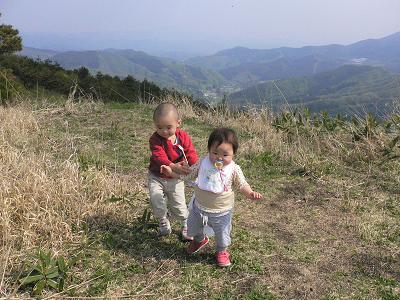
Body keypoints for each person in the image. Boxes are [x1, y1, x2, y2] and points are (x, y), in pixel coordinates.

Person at [161, 127, 262, 267]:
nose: (219, 157)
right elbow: (188, 175)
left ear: (233, 154)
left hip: (222, 211)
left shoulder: (233, 169)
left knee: (222, 233)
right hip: (199, 207)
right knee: (193, 227)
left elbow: (241, 185)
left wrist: (250, 193)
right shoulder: (202, 163)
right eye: (214, 153)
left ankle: (221, 251)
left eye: (225, 155)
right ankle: (199, 240)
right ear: (208, 150)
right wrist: (171, 173)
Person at [148, 102, 198, 240]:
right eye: (159, 127)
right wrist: (172, 165)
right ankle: (163, 220)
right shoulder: (155, 140)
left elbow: (191, 153)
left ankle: (185, 223)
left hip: (175, 178)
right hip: (157, 176)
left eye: (168, 127)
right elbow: (158, 156)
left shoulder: (183, 137)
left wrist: (196, 167)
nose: (164, 131)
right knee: (156, 198)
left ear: (178, 123)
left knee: (179, 205)